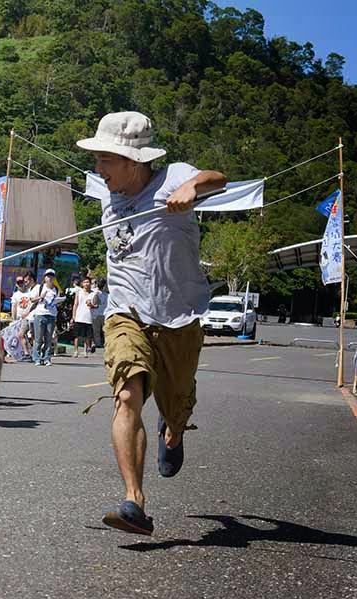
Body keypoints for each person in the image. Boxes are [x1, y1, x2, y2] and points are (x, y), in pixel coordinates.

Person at [76, 110, 226, 536]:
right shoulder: (108, 193)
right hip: (126, 312)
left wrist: (193, 188)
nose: (98, 168)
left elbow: (219, 178)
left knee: (176, 405)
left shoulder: (174, 176)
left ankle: (173, 432)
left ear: (133, 161)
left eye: (106, 160)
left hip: (179, 316)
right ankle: (134, 502)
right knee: (127, 395)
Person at [26, 268, 59, 366]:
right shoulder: (39, 287)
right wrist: (41, 297)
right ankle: (36, 357)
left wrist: (57, 302)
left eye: (51, 276)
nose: (50, 278)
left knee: (49, 338)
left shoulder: (55, 289)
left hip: (51, 314)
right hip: (40, 314)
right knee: (38, 338)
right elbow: (32, 299)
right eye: (48, 276)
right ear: (44, 278)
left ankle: (47, 358)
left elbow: (57, 300)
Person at [71, 276, 98, 357]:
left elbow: (96, 305)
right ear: (82, 284)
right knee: (77, 336)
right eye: (85, 282)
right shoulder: (79, 292)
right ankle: (76, 351)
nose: (86, 284)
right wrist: (73, 316)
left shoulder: (93, 294)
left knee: (87, 336)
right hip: (79, 316)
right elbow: (75, 304)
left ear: (90, 283)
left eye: (88, 282)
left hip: (88, 317)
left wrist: (91, 305)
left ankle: (85, 351)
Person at [92, 278, 107, 348]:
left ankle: (100, 343)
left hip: (99, 314)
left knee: (98, 330)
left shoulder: (95, 292)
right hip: (101, 313)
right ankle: (101, 343)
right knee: (101, 330)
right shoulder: (105, 294)